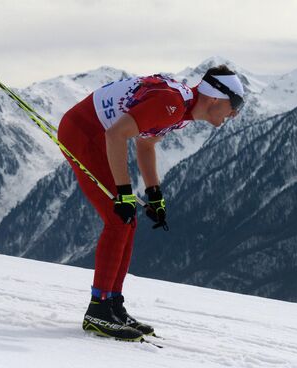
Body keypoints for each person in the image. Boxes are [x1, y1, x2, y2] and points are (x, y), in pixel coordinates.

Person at [57, 65, 245, 341]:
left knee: (127, 221)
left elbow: (145, 145)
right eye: (235, 105)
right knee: (118, 219)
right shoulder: (172, 104)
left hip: (98, 135)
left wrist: (154, 194)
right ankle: (98, 309)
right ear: (216, 97)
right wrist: (123, 192)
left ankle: (112, 305)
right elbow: (115, 136)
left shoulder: (183, 109)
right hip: (84, 134)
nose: (235, 114)